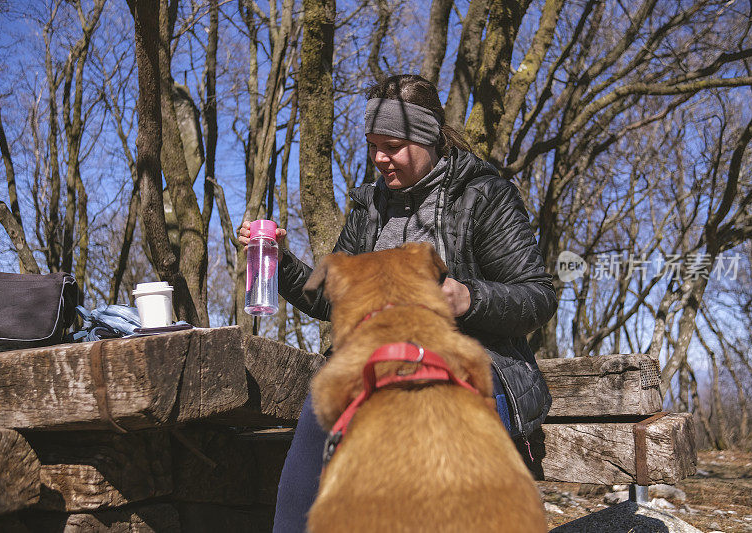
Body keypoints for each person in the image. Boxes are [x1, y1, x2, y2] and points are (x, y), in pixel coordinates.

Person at [238, 74, 557, 533]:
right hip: (367, 366)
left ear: (428, 138)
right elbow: (334, 302)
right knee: (306, 478)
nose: (379, 159)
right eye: (372, 145)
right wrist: (279, 261)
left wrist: (466, 296)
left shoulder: (483, 196)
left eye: (391, 145)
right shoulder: (370, 208)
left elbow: (538, 295)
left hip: (467, 366)